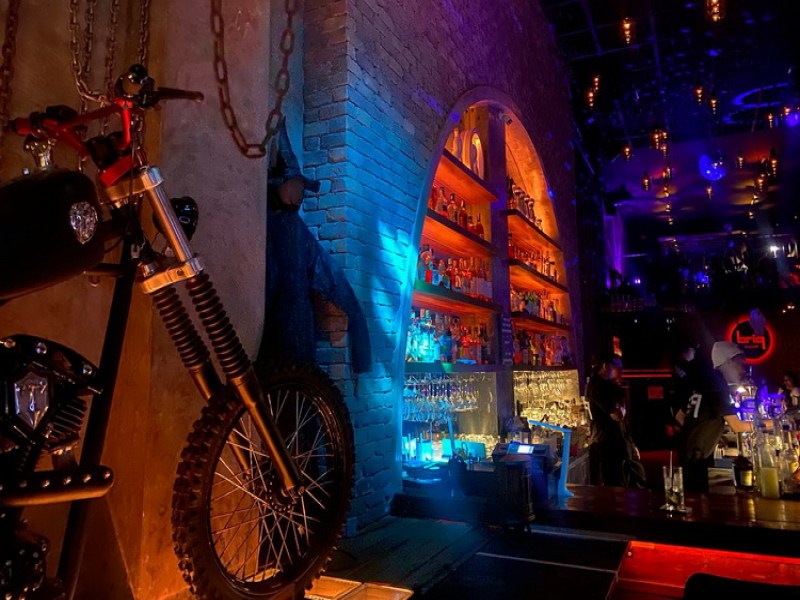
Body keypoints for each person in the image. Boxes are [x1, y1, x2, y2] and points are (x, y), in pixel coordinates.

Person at [676, 341, 754, 493]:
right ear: (728, 362)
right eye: (741, 364)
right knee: (697, 500)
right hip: (697, 456)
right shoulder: (718, 387)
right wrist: (772, 424)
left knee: (694, 498)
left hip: (690, 452)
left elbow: (682, 415)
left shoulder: (710, 383)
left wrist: (710, 434)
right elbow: (737, 426)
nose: (744, 369)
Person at [587, 354, 644, 487]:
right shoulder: (596, 386)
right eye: (617, 366)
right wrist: (620, 410)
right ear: (606, 366)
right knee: (615, 484)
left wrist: (632, 444)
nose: (621, 370)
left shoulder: (611, 386)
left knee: (631, 480)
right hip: (608, 443)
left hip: (620, 441)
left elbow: (622, 418)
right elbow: (617, 415)